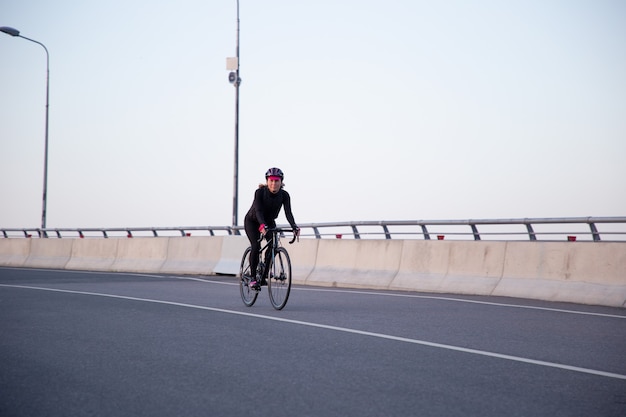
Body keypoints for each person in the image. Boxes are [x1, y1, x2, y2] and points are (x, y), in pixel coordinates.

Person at [244, 167, 299, 289]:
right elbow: (258, 211)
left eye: (277, 181)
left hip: (269, 221)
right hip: (253, 221)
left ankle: (263, 275)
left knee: (273, 245)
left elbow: (288, 213)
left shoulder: (284, 195)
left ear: (281, 182)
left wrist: (294, 227)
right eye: (271, 180)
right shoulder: (259, 193)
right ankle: (253, 278)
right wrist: (262, 225)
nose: (274, 183)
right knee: (256, 246)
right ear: (267, 181)